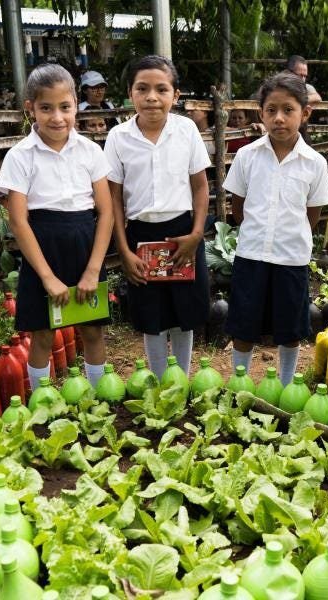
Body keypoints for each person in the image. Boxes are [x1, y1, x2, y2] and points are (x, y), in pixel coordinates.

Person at [0, 64, 114, 389]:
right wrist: (47, 277)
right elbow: (19, 222)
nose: (57, 117)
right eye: (46, 108)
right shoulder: (20, 157)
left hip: (84, 244)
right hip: (41, 248)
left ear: (77, 105)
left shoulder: (91, 151)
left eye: (65, 107)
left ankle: (98, 396)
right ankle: (42, 402)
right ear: (30, 108)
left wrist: (93, 270)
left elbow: (106, 213)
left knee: (92, 329)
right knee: (43, 333)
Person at [223, 72, 328, 385]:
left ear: (305, 113)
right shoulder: (247, 156)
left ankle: (286, 385)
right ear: (261, 114)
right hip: (251, 255)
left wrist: (290, 235)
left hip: (291, 258)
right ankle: (240, 381)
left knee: (290, 329)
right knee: (243, 325)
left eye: (288, 110)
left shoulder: (314, 163)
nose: (279, 118)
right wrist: (258, 233)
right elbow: (238, 208)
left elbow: (313, 213)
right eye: (271, 110)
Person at [105, 55, 211, 375]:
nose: (152, 97)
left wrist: (196, 235)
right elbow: (114, 201)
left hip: (183, 235)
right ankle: (160, 381)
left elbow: (200, 188)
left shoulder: (187, 130)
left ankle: (182, 378)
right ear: (130, 93)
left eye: (161, 89)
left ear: (175, 96)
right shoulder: (118, 137)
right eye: (142, 88)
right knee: (152, 315)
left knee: (184, 312)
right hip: (140, 235)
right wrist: (124, 251)